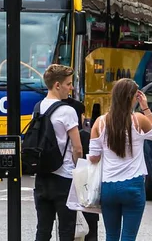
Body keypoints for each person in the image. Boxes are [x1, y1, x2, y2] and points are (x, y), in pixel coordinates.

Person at [88, 78, 152, 241]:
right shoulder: (139, 120)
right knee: (129, 236)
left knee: (111, 235)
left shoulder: (100, 123)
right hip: (133, 185)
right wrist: (146, 108)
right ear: (132, 98)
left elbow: (93, 157)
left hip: (108, 187)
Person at [34, 64, 83, 241]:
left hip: (42, 176)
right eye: (68, 84)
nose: (71, 88)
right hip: (64, 177)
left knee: (43, 229)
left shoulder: (38, 108)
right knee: (66, 230)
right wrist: (79, 171)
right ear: (57, 85)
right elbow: (77, 148)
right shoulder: (67, 111)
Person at [63, 95, 99, 241]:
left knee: (68, 227)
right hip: (87, 185)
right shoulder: (86, 136)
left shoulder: (61, 134)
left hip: (64, 181)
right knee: (91, 228)